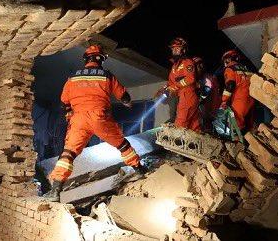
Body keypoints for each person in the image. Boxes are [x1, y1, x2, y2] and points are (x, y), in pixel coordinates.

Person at [42, 45, 146, 202]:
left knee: (68, 153)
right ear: (101, 59)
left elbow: (64, 102)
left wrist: (69, 113)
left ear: (86, 59)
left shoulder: (73, 77)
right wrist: (128, 103)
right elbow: (123, 96)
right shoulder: (106, 75)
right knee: (122, 145)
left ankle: (56, 190)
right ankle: (139, 169)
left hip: (78, 120)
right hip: (100, 117)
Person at [158, 37, 201, 132]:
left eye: (177, 48)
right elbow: (170, 82)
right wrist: (164, 89)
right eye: (173, 48)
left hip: (188, 95)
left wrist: (175, 86)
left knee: (180, 124)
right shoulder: (174, 66)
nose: (174, 50)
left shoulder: (187, 62)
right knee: (193, 126)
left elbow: (190, 78)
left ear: (184, 50)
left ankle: (177, 143)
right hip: (181, 96)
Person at [220, 49, 255, 131]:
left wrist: (224, 100)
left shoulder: (230, 69)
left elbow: (230, 85)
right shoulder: (246, 69)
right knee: (249, 127)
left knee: (236, 127)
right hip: (251, 100)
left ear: (228, 59)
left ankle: (238, 142)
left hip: (239, 100)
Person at [192, 57, 221, 131]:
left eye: (199, 65)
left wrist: (200, 99)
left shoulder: (206, 78)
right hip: (211, 110)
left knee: (203, 126)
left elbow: (207, 89)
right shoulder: (204, 78)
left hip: (208, 109)